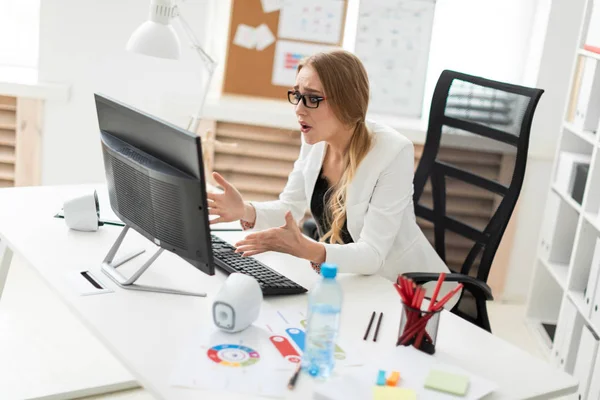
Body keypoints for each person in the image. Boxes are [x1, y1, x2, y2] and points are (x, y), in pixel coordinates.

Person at [207, 50, 449, 282]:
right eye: (297, 96)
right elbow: (290, 207)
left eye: (313, 98)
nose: (299, 109)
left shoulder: (393, 152)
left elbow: (373, 254)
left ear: (348, 104)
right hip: (348, 278)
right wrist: (245, 210)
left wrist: (307, 249)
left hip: (402, 287)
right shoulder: (315, 139)